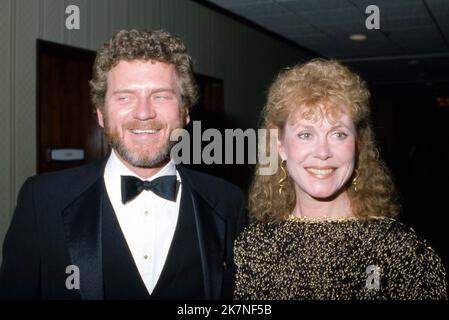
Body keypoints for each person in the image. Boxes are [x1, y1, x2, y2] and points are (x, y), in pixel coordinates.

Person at [0, 29, 246, 300]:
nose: (143, 113)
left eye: (161, 96)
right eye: (125, 97)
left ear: (185, 112)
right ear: (101, 114)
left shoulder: (227, 202)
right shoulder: (42, 200)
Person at [234, 59, 447, 300]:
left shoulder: (398, 249)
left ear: (357, 144)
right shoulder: (254, 246)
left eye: (338, 134)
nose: (323, 152)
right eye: (305, 134)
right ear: (280, 145)